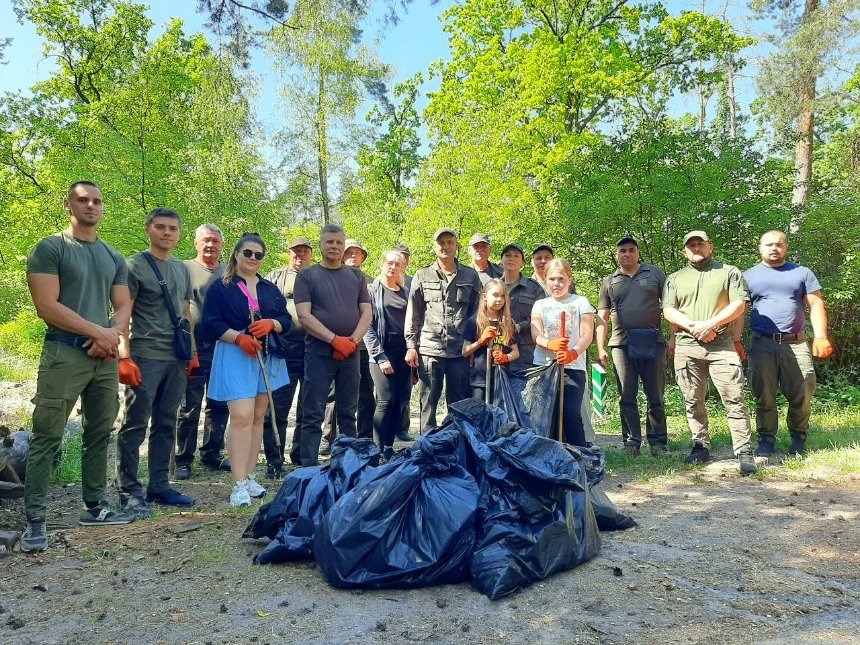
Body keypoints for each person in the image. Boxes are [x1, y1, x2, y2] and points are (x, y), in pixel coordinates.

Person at [21, 180, 135, 553]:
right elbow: (47, 305)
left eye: (97, 201)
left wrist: (111, 336)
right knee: (47, 435)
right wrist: (99, 333)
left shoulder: (112, 256)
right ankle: (35, 520)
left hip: (101, 359)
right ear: (69, 204)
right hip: (63, 353)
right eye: (83, 200)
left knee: (99, 432)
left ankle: (94, 507)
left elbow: (122, 305)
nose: (91, 206)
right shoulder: (51, 248)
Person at [116, 208, 197, 518]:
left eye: (172, 228)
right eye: (160, 227)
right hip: (145, 354)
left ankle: (159, 485)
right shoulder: (134, 266)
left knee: (166, 421)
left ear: (178, 233)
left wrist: (191, 351)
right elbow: (123, 312)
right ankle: (129, 490)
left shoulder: (181, 268)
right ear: (148, 229)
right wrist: (124, 355)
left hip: (176, 356)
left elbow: (186, 311)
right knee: (136, 422)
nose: (167, 232)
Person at [202, 233, 292, 506]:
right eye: (248, 253)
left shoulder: (268, 288)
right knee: (241, 416)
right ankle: (238, 483)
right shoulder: (221, 287)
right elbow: (210, 323)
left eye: (258, 255)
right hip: (235, 353)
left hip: (267, 356)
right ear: (237, 255)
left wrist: (272, 325)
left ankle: (250, 476)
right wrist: (238, 337)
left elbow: (286, 318)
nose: (253, 258)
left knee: (257, 417)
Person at [663, 230, 757, 475]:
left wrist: (710, 325)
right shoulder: (675, 278)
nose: (696, 248)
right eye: (691, 245)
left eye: (700, 244)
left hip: (722, 346)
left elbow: (739, 305)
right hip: (687, 345)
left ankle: (744, 450)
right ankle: (700, 445)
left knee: (734, 397)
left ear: (710, 247)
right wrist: (695, 327)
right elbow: (669, 310)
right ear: (685, 251)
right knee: (693, 398)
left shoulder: (729, 272)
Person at [741, 230, 834, 457]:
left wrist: (821, 336)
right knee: (763, 395)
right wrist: (735, 341)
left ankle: (798, 438)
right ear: (760, 247)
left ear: (786, 247)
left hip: (796, 343)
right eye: (769, 245)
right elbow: (739, 312)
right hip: (762, 344)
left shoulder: (802, 273)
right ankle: (766, 439)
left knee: (803, 391)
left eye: (779, 244)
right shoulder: (748, 276)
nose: (774, 248)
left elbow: (816, 305)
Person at [293, 224, 372, 466]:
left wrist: (352, 341)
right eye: (329, 242)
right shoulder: (307, 276)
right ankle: (308, 465)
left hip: (351, 354)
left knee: (348, 411)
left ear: (344, 245)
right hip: (318, 353)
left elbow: (367, 312)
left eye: (338, 242)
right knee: (313, 411)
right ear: (321, 245)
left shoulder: (356, 277)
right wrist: (333, 340)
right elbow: (304, 315)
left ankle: (347, 464)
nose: (334, 246)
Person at [596, 237, 669, 457]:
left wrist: (673, 338)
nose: (627, 254)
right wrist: (600, 347)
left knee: (655, 394)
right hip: (621, 345)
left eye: (631, 250)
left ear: (638, 253)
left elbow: (670, 307)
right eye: (622, 251)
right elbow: (602, 315)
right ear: (617, 255)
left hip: (653, 342)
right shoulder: (610, 281)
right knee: (627, 395)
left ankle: (658, 443)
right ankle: (631, 443)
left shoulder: (655, 274)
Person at [406, 228, 482, 430]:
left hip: (460, 352)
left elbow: (476, 315)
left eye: (450, 242)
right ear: (435, 247)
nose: (446, 247)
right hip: (430, 350)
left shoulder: (470, 276)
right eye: (441, 243)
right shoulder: (422, 275)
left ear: (456, 246)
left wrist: (473, 347)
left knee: (459, 403)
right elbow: (413, 314)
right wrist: (411, 346)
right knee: (428, 402)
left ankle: (456, 444)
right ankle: (427, 447)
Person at [174, 224, 230, 480]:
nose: (210, 245)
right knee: (189, 405)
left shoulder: (228, 273)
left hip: (224, 346)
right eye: (206, 240)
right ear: (196, 243)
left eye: (215, 241)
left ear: (221, 245)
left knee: (219, 404)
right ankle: (183, 459)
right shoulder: (184, 269)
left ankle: (212, 452)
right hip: (194, 346)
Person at [263, 236, 314, 478]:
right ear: (288, 253)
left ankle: (302, 454)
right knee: (278, 407)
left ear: (311, 254)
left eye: (305, 251)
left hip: (314, 349)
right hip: (283, 349)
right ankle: (275, 459)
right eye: (296, 251)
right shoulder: (274, 278)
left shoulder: (317, 276)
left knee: (309, 406)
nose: (300, 255)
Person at [531, 259, 595, 446]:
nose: (556, 283)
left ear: (569, 279)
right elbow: (536, 333)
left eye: (561, 278)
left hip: (572, 367)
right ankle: (548, 457)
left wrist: (573, 353)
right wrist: (550, 344)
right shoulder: (540, 304)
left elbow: (586, 333)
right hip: (544, 367)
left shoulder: (580, 302)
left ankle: (581, 456)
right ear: (545, 279)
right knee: (546, 415)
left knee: (570, 413)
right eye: (552, 279)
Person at [320, 238, 375, 454]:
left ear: (363, 256)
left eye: (357, 252)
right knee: (333, 395)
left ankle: (361, 437)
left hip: (363, 348)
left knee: (364, 394)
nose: (353, 255)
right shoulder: (330, 277)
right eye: (349, 251)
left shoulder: (371, 281)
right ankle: (328, 437)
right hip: (336, 345)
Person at [364, 250, 412, 460]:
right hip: (382, 353)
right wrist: (379, 356)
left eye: (397, 264)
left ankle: (389, 448)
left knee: (399, 402)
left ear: (403, 268)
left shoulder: (406, 292)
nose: (393, 267)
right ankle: (377, 449)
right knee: (385, 400)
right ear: (382, 264)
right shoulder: (371, 291)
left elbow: (413, 324)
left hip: (404, 354)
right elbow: (367, 326)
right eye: (390, 263)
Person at [462, 279, 519, 400]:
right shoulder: (474, 321)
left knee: (499, 415)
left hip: (501, 378)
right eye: (495, 295)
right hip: (479, 380)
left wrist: (505, 357)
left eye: (503, 296)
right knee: (480, 415)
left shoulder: (508, 323)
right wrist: (480, 341)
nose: (499, 299)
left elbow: (516, 352)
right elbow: (465, 351)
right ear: (485, 297)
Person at [499, 243, 544, 371]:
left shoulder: (534, 288)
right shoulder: (494, 286)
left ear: (522, 263)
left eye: (516, 256)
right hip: (498, 349)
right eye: (507, 255)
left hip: (526, 352)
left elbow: (542, 318)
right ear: (501, 261)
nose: (511, 258)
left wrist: (520, 326)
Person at [392, 243, 416, 441]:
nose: (402, 260)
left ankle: (403, 427)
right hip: (388, 342)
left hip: (408, 342)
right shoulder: (381, 281)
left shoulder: (412, 281)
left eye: (405, 257)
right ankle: (387, 428)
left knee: (405, 388)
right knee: (385, 392)